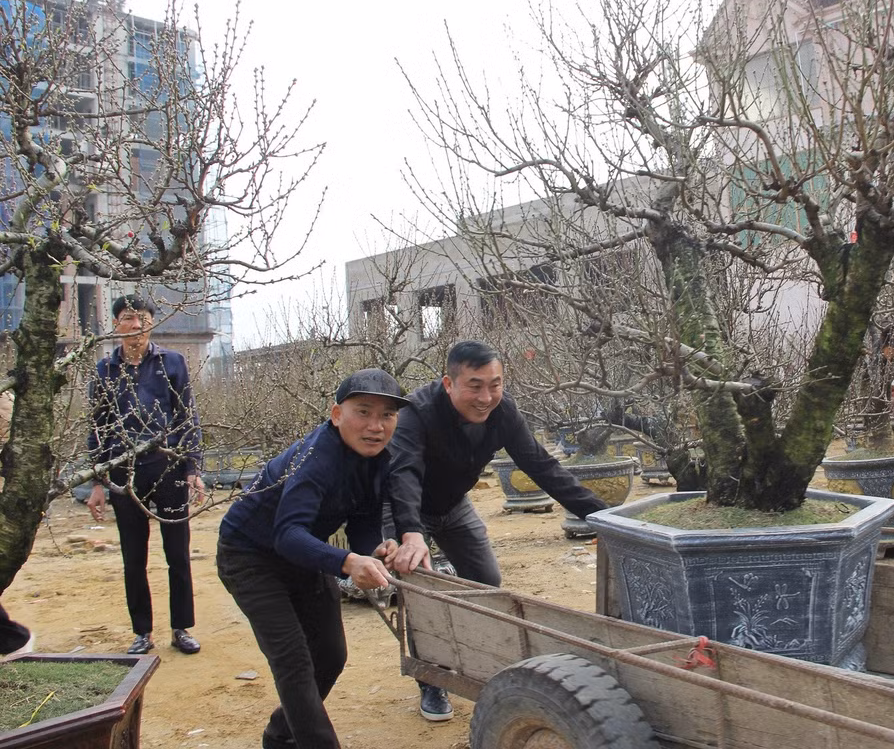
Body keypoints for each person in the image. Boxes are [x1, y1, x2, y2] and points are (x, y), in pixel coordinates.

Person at [383, 339, 608, 722]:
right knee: (420, 592)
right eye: (475, 386)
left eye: (495, 384)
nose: (486, 397)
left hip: (454, 504)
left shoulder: (503, 412)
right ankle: (431, 678)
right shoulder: (416, 413)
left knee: (486, 582)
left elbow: (541, 466)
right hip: (405, 508)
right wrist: (410, 533)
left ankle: (480, 660)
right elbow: (403, 474)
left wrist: (604, 517)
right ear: (449, 383)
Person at [218, 368, 429, 749]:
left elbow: (363, 518)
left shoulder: (378, 458)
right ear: (336, 415)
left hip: (303, 553)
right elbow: (287, 533)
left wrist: (373, 549)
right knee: (293, 661)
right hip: (250, 556)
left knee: (330, 655)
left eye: (387, 415)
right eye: (363, 412)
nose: (376, 426)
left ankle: (280, 736)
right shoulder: (317, 457)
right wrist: (348, 563)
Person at [86, 294, 204, 656]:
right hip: (123, 472)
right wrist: (98, 482)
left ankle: (181, 627)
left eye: (143, 319)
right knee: (133, 557)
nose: (136, 325)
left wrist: (192, 467)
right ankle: (142, 632)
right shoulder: (105, 370)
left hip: (167, 466)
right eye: (128, 318)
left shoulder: (172, 363)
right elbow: (98, 429)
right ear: (116, 324)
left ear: (151, 324)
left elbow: (187, 417)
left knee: (177, 553)